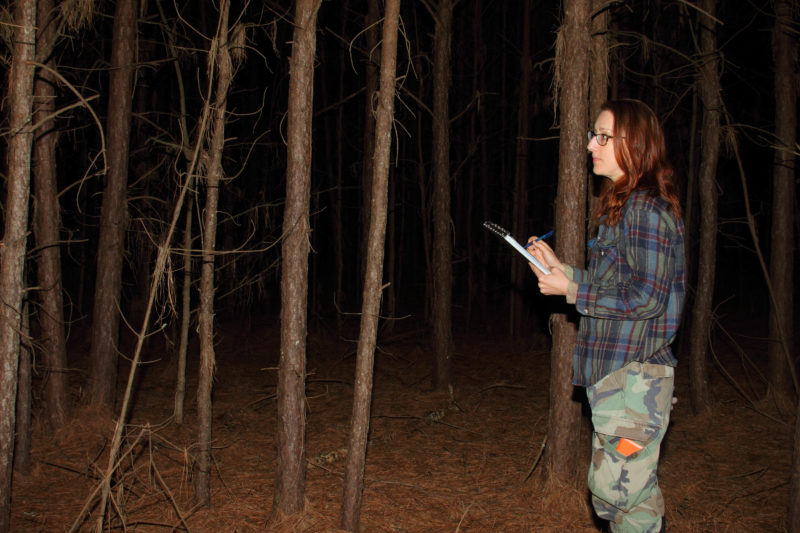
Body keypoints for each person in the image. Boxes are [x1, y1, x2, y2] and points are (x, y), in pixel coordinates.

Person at [527, 99, 686, 533]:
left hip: (634, 381)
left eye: (601, 136)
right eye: (591, 135)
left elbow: (647, 297)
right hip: (620, 381)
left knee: (620, 497)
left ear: (632, 143)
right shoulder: (624, 207)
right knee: (627, 500)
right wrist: (564, 272)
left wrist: (574, 290)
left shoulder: (646, 210)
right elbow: (619, 284)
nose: (589, 145)